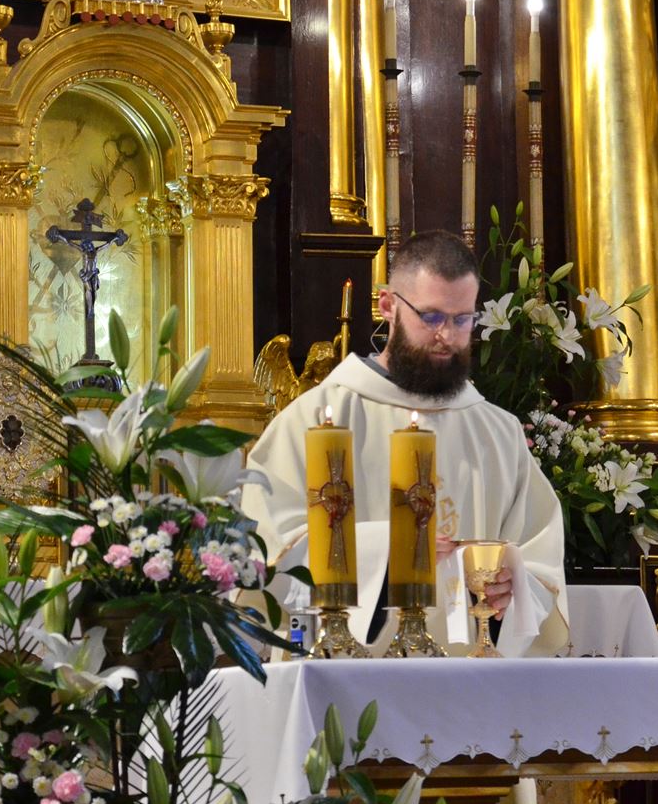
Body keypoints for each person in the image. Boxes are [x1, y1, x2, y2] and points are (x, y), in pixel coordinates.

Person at [242, 231, 569, 657]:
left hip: (470, 678)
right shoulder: (315, 418)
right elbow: (263, 545)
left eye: (462, 319)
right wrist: (387, 547)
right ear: (388, 306)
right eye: (431, 317)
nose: (447, 337)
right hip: (347, 678)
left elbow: (539, 554)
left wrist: (516, 585)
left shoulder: (497, 431)